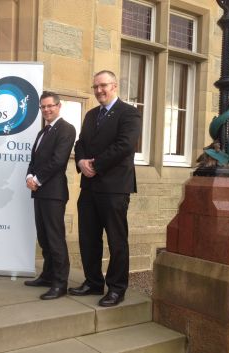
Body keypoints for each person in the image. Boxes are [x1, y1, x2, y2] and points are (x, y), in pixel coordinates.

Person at [69, 70, 141, 307]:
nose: (99, 90)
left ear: (114, 86)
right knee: (88, 237)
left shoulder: (129, 113)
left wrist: (96, 165)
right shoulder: (91, 115)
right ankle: (93, 282)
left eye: (103, 86)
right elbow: (80, 143)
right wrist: (80, 161)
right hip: (89, 187)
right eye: (96, 87)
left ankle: (117, 288)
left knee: (116, 240)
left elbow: (125, 145)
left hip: (115, 188)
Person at [24, 91, 76, 300]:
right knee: (44, 237)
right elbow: (34, 160)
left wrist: (35, 180)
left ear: (58, 106)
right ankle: (47, 275)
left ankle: (60, 283)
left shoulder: (66, 129)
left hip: (53, 193)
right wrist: (29, 175)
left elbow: (58, 161)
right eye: (43, 107)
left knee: (55, 239)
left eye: (50, 106)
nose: (46, 110)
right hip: (39, 192)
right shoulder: (42, 132)